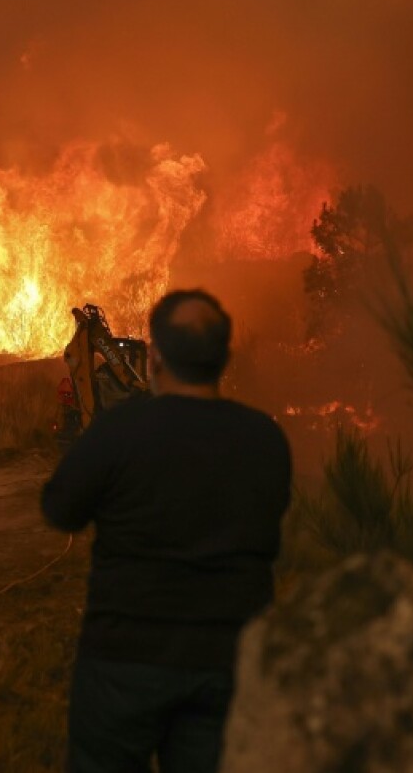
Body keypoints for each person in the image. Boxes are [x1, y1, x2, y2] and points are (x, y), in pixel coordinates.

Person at [41, 289, 292, 773]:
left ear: (154, 357)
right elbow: (270, 526)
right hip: (229, 660)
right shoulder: (264, 439)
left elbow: (60, 510)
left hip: (125, 660)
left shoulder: (117, 432)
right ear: (224, 357)